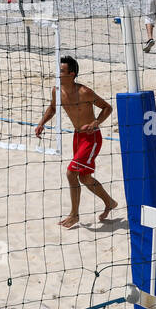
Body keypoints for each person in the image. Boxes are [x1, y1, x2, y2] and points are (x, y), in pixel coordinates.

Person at [34, 56, 117, 228]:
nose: (58, 73)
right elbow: (53, 108)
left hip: (92, 138)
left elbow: (107, 107)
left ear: (71, 74)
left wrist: (96, 123)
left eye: (62, 71)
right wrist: (42, 123)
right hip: (77, 137)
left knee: (71, 173)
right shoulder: (57, 91)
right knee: (85, 177)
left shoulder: (84, 92)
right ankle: (109, 202)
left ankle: (74, 215)